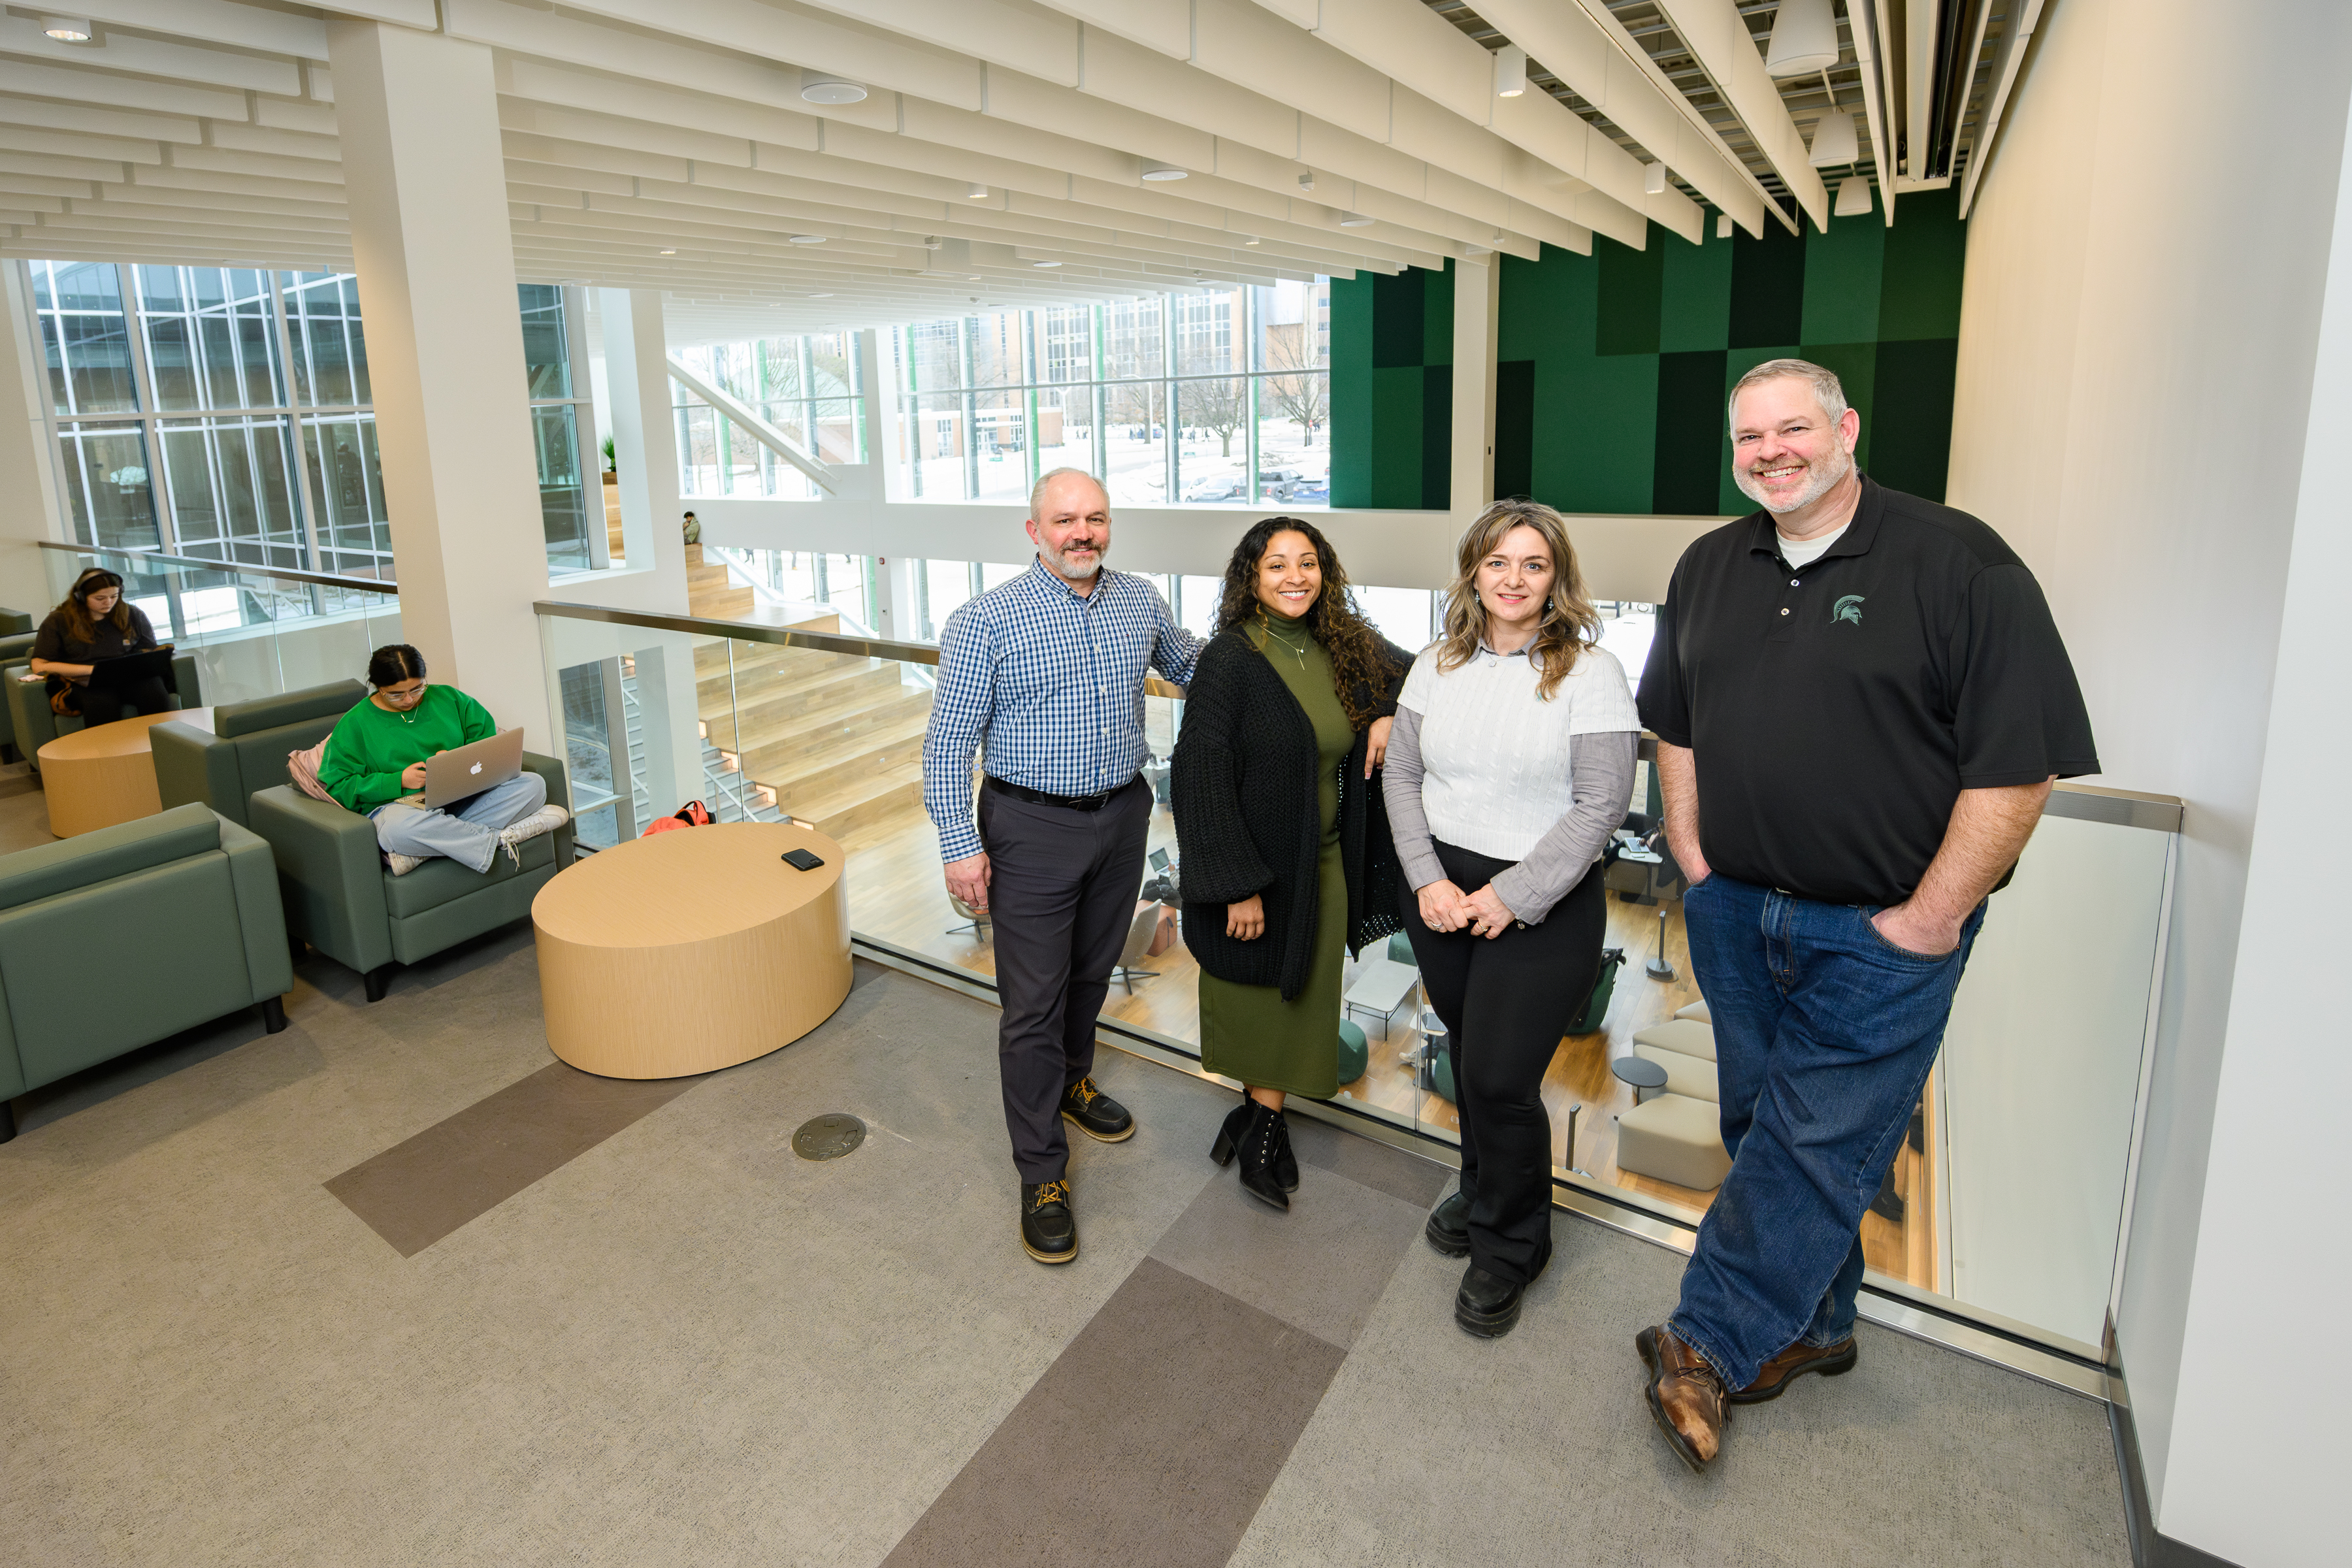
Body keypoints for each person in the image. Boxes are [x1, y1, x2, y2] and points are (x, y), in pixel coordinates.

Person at [1633, 359, 2099, 1470]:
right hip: (1738, 913)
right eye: (1751, 437)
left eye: (1794, 428)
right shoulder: (1708, 565)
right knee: (1764, 1130)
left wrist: (1932, 919)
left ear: (1846, 430)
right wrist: (1694, 851)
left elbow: (2018, 772)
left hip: (1880, 937)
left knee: (1808, 1144)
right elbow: (1675, 724)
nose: (1771, 451)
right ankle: (1821, 1327)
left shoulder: (1961, 564)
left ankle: (1709, 1342)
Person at [921, 467, 1203, 1264]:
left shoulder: (1140, 600)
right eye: (1067, 520)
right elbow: (947, 748)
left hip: (1121, 817)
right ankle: (1041, 1170)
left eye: (1097, 519)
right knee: (1033, 1004)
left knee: (1090, 975)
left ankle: (1073, 1084)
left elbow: (1194, 669)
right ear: (1034, 530)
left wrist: (1285, 651)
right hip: (1029, 827)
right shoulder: (987, 620)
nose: (1084, 533)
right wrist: (958, 844)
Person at [1382, 500, 1640, 1338]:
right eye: (1498, 563)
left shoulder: (1590, 672)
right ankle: (1482, 1187)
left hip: (1543, 898)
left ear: (1556, 576)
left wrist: (1512, 895)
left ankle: (1513, 1245)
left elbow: (1603, 802)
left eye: (1533, 565)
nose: (1514, 580)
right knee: (1468, 1053)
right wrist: (1426, 881)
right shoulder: (1436, 663)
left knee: (1498, 1077)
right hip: (1443, 895)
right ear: (1474, 572)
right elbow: (1404, 779)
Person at [1171, 518, 1411, 1210]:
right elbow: (1201, 777)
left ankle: (1254, 1118)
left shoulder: (1342, 645)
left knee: (1303, 995)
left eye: (1307, 563)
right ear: (1251, 578)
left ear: (1325, 572)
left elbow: (1418, 672)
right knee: (1256, 997)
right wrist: (1238, 886)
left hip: (1326, 863)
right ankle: (1264, 1132)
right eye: (1276, 565)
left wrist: (1387, 714)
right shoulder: (1231, 659)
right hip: (1258, 873)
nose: (1294, 577)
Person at [318, 644, 569, 876]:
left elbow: (487, 743)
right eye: (396, 695)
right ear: (376, 687)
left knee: (533, 785)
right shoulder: (354, 724)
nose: (409, 699)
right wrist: (398, 780)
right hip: (401, 809)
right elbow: (339, 786)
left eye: (417, 689)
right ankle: (500, 839)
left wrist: (457, 761)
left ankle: (424, 850)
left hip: (463, 798)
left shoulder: (450, 699)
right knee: (395, 830)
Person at [29, 568, 171, 727]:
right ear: (81, 597)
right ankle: (106, 751)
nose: (108, 602)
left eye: (114, 596)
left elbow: (150, 650)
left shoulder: (132, 614)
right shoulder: (58, 620)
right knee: (102, 703)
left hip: (129, 676)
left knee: (154, 693)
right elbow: (39, 665)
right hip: (85, 680)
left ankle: (162, 745)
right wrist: (93, 671)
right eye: (100, 598)